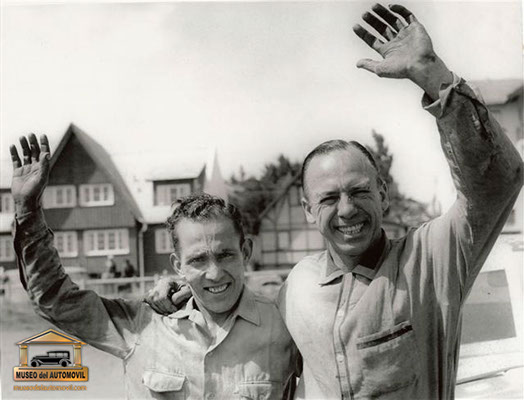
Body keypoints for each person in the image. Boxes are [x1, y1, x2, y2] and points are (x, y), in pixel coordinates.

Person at [149, 4, 523, 399]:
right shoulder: (297, 287)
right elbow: (247, 332)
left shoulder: (430, 259)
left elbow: (497, 182)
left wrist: (433, 75)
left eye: (359, 191)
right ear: (308, 209)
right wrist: (186, 291)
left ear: (382, 194)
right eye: (328, 198)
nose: (346, 209)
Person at [10, 135, 298, 399]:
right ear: (178, 265)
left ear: (245, 252)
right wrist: (28, 209)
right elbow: (55, 300)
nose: (214, 273)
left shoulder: (285, 327)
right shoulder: (141, 323)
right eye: (198, 260)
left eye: (225, 255)